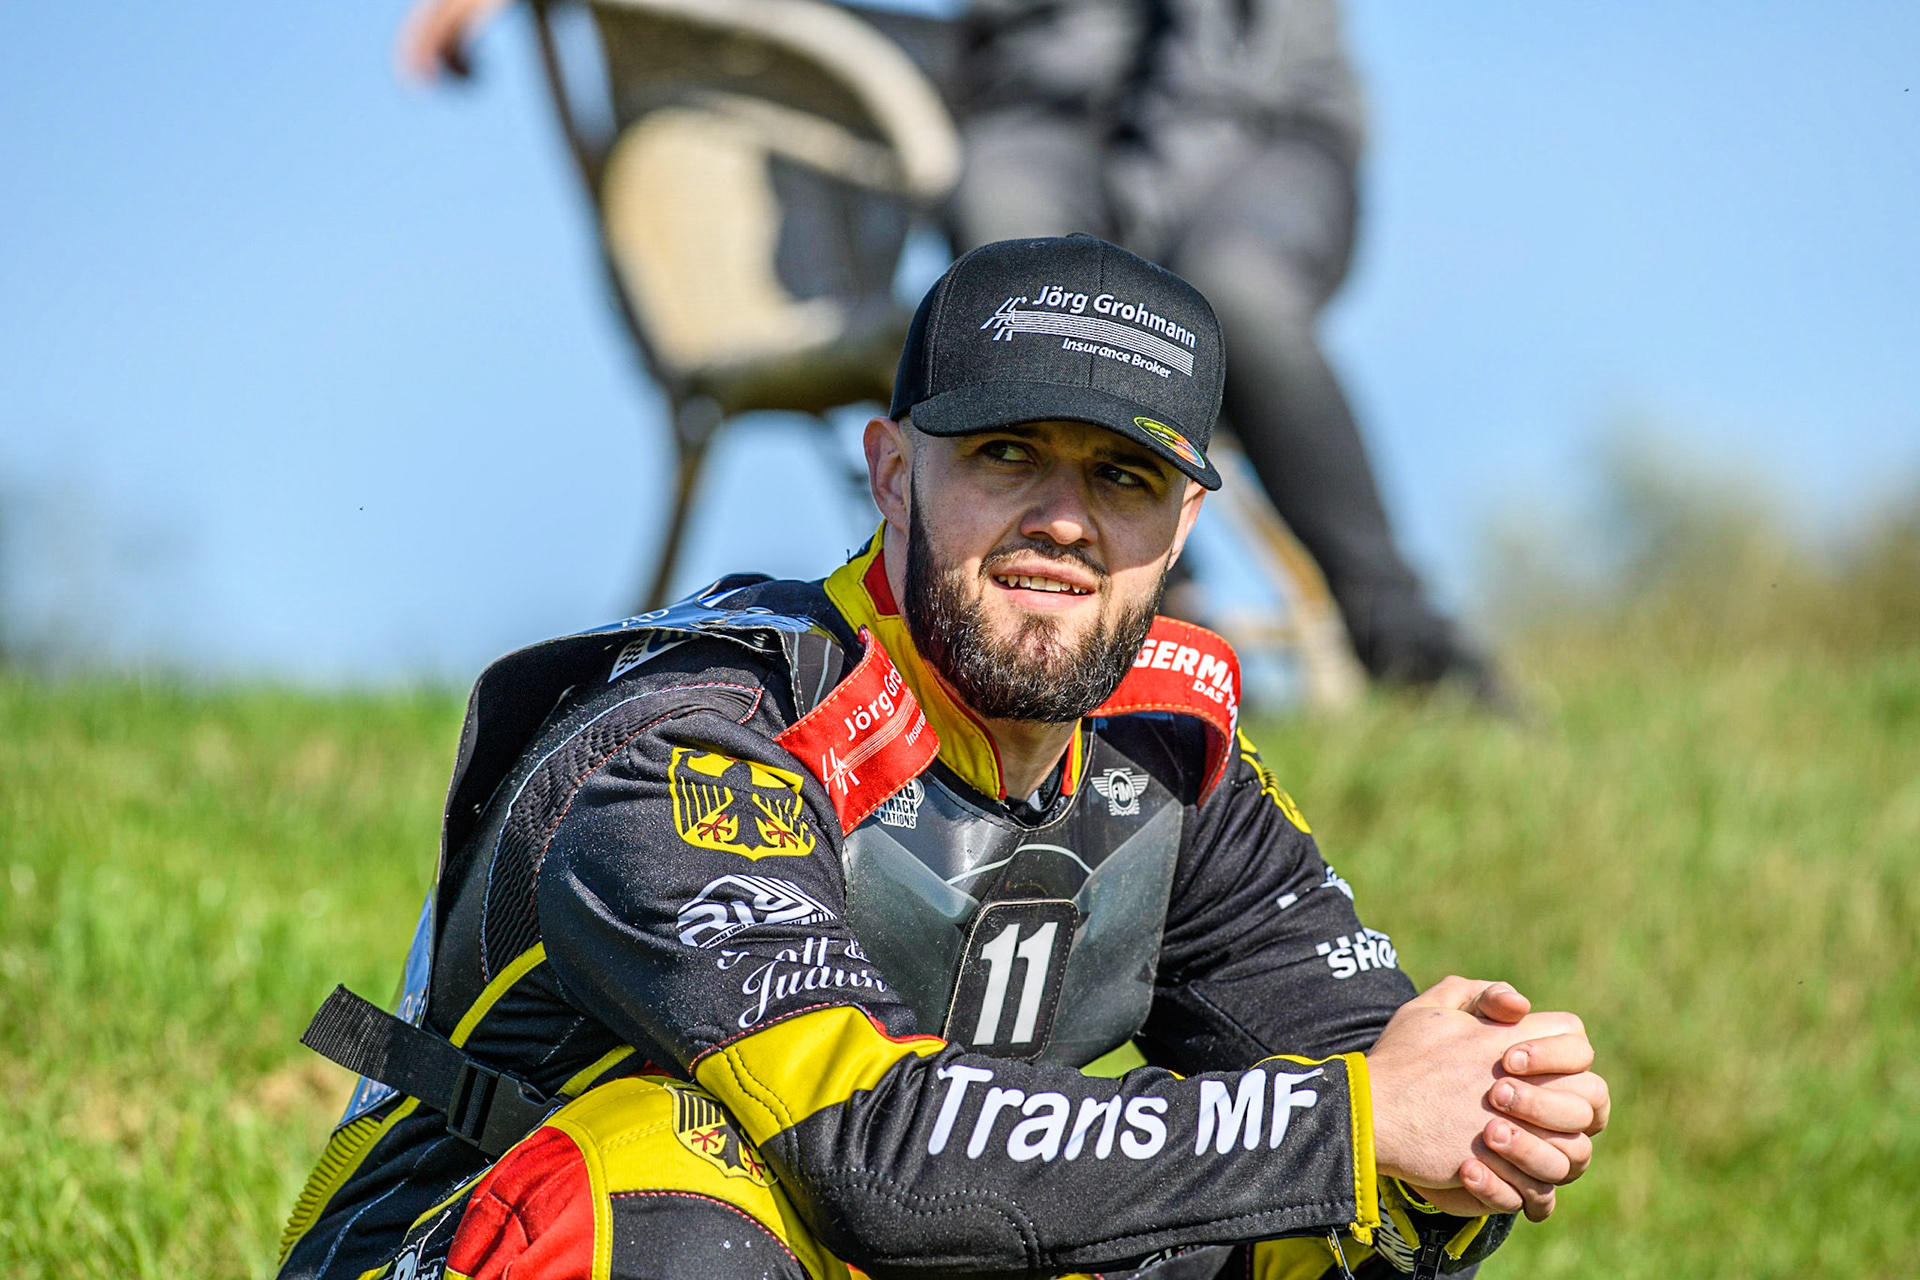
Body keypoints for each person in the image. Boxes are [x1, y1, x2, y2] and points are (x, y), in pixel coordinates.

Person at [277, 236, 1606, 1280]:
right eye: (1007, 454)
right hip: (459, 1240)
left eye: (1125, 478)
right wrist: (1355, 1123)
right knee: (669, 1176)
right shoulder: (698, 736)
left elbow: (1394, 1096)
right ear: (891, 473)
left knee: (1305, 1219)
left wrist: (1487, 1126)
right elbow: (873, 1158)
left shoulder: (1174, 765)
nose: (1065, 522)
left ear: (1183, 526)